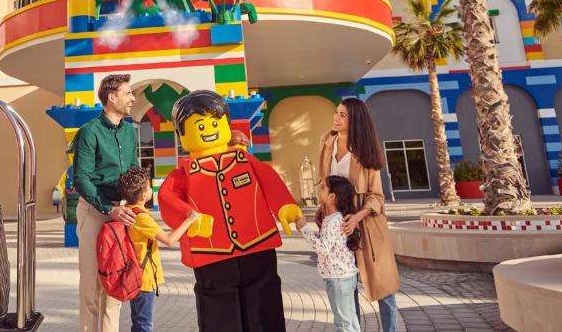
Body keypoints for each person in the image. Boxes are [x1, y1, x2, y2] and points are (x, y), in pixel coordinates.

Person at [158, 90, 303, 332]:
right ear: (181, 134)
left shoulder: (244, 160)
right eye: (200, 126)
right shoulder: (184, 173)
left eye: (215, 122)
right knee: (218, 313)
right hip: (211, 253)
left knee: (264, 305)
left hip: (256, 245)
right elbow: (167, 198)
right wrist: (189, 217)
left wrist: (284, 206)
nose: (209, 130)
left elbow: (269, 181)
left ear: (226, 124)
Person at [317, 97, 400, 332]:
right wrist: (321, 210)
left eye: (342, 115)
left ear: (355, 121)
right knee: (345, 285)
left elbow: (377, 197)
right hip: (339, 227)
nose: (336, 118)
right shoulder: (326, 142)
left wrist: (357, 217)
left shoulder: (365, 150)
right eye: (336, 112)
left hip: (367, 227)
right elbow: (324, 183)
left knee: (383, 287)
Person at [73, 73, 140, 332]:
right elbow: (81, 178)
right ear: (112, 97)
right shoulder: (89, 132)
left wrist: (137, 202)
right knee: (91, 290)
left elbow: (134, 170)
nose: (133, 98)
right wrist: (109, 209)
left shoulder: (130, 133)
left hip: (121, 213)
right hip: (95, 212)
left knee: (114, 290)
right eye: (128, 93)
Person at [116, 167, 200, 332]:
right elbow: (169, 240)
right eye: (148, 186)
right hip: (144, 278)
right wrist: (189, 220)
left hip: (135, 275)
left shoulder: (130, 211)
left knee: (139, 322)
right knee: (144, 325)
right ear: (144, 195)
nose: (150, 189)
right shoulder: (142, 218)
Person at [296, 176, 363, 332]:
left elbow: (323, 248)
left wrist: (304, 229)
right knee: (351, 320)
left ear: (332, 197)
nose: (319, 189)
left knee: (343, 323)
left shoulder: (333, 221)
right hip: (345, 277)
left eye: (323, 188)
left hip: (338, 279)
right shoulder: (334, 218)